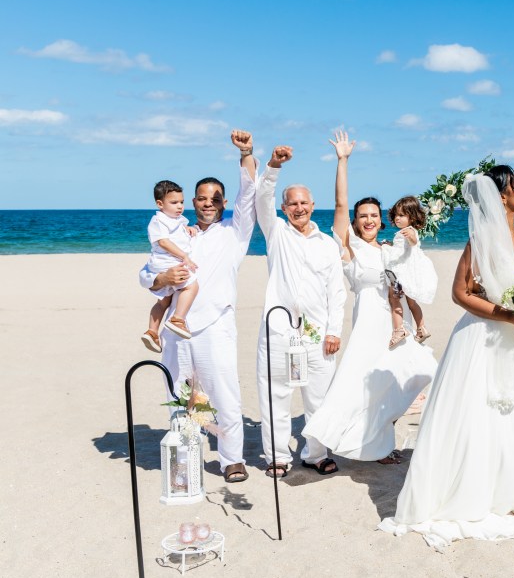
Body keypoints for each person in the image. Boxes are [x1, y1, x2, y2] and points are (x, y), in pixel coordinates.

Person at [378, 168, 514, 550]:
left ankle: (506, 494)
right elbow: (460, 293)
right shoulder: (481, 237)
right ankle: (473, 493)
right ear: (502, 196)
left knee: (511, 412)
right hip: (483, 338)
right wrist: (509, 316)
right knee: (478, 415)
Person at [302, 130, 437, 465]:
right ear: (355, 221)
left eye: (374, 215)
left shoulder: (391, 249)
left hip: (395, 320)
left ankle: (379, 441)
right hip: (367, 320)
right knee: (365, 383)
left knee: (413, 374)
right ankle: (370, 445)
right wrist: (343, 161)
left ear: (382, 219)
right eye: (363, 216)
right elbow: (340, 204)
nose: (368, 220)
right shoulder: (350, 247)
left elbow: (411, 280)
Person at [139, 129, 259, 483]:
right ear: (193, 202)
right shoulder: (178, 234)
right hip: (177, 332)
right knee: (179, 394)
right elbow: (148, 275)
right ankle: (186, 456)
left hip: (215, 327)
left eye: (216, 199)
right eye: (203, 198)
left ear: (223, 204)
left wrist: (246, 155)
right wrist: (162, 280)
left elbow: (249, 196)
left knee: (223, 394)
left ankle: (231, 459)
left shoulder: (234, 234)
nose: (209, 203)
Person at [255, 145, 347, 478]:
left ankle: (316, 453)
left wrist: (334, 330)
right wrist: (273, 167)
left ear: (312, 206)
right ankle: (278, 457)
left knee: (319, 398)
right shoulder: (276, 232)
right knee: (275, 396)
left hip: (319, 333)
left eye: (303, 202)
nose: (298, 208)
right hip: (278, 331)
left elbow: (336, 292)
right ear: (283, 207)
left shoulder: (327, 244)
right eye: (291, 203)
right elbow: (262, 198)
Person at [140, 180, 200, 347]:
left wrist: (188, 230)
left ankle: (152, 332)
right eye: (174, 203)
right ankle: (178, 319)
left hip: (164, 264)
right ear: (160, 203)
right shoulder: (158, 221)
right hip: (166, 263)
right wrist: (185, 257)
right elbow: (164, 242)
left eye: (181, 202)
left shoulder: (177, 220)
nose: (179, 206)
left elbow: (178, 231)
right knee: (192, 286)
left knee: (163, 301)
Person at [382, 196, 437, 348]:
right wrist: (391, 244)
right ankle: (421, 327)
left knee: (394, 299)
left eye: (401, 215)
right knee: (412, 302)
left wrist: (411, 238)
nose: (397, 218)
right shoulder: (404, 232)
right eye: (396, 215)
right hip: (408, 272)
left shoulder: (408, 232)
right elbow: (402, 248)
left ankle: (399, 330)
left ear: (412, 217)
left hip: (402, 273)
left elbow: (412, 243)